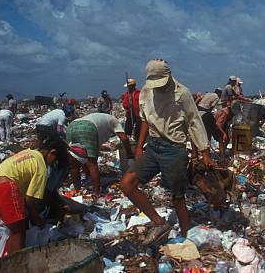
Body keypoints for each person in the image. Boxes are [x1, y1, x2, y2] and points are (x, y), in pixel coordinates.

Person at [120, 59, 215, 246]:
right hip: (153, 146)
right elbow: (145, 119)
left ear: (169, 76)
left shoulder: (182, 93)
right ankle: (159, 222)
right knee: (127, 184)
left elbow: (194, 122)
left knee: (177, 198)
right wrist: (139, 146)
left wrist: (204, 152)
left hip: (174, 149)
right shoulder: (147, 91)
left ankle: (186, 237)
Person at [0, 138, 67, 255]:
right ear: (52, 152)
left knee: (13, 229)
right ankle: (17, 263)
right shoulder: (41, 167)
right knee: (19, 231)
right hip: (6, 188)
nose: (52, 164)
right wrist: (37, 219)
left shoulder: (28, 153)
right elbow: (30, 199)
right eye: (54, 161)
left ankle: (8, 258)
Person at [66, 112, 132, 198]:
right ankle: (96, 194)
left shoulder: (100, 119)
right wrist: (129, 153)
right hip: (87, 127)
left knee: (73, 163)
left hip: (71, 126)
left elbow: (82, 153)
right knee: (92, 163)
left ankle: (77, 191)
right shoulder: (114, 121)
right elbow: (124, 138)